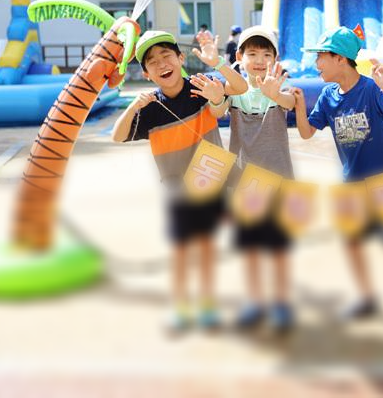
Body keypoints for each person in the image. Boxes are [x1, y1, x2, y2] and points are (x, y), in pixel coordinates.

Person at [291, 26, 383, 331]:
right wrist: (300, 106)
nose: (316, 64)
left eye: (320, 57)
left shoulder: (370, 89)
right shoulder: (328, 96)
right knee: (352, 243)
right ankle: (367, 298)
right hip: (351, 184)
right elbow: (306, 132)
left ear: (340, 58)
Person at [111, 30, 248, 334]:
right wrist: (133, 106)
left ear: (181, 58)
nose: (162, 63)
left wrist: (217, 66)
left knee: (206, 246)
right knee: (182, 250)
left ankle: (207, 304)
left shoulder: (200, 86)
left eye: (166, 55)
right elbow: (117, 136)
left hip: (209, 178)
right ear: (146, 74)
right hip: (176, 187)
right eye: (152, 61)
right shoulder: (149, 108)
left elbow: (240, 87)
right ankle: (182, 305)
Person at [220, 25, 298, 334]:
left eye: (267, 54)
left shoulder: (280, 87)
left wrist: (275, 94)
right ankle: (254, 301)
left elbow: (289, 103)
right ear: (239, 57)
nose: (259, 60)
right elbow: (217, 109)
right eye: (252, 53)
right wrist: (217, 94)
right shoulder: (234, 91)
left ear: (275, 59)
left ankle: (280, 302)